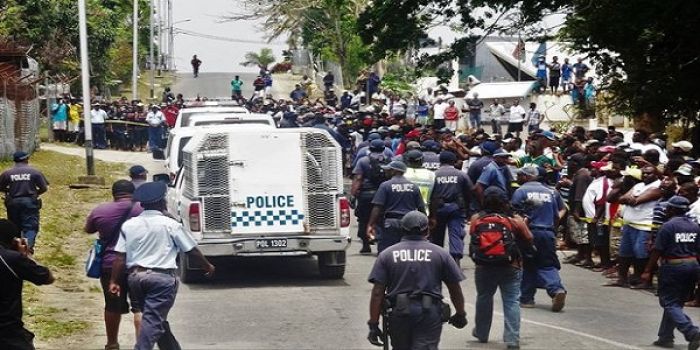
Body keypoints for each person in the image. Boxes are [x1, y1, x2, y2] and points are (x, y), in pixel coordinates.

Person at [109, 182, 215, 350]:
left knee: (155, 318)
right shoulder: (170, 224)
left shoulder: (129, 225)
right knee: (153, 320)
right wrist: (207, 266)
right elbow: (191, 250)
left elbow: (120, 257)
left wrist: (114, 281)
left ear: (142, 205)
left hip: (136, 278)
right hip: (161, 279)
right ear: (162, 202)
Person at [367, 211, 467, 350]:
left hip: (399, 314)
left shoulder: (387, 255)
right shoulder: (440, 254)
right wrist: (460, 313)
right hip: (428, 315)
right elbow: (454, 288)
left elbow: (377, 293)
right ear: (427, 230)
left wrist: (373, 324)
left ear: (402, 230)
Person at [470, 187, 533, 350]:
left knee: (484, 297)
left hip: (484, 266)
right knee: (512, 301)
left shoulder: (477, 218)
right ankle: (512, 340)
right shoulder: (513, 220)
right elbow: (528, 237)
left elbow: (473, 237)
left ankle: (482, 333)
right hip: (510, 266)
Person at [85, 180, 144, 350]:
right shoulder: (142, 209)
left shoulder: (100, 210)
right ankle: (141, 345)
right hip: (137, 264)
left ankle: (112, 343)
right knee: (139, 307)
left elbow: (88, 229)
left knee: (112, 306)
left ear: (113, 194)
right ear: (133, 193)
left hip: (109, 266)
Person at [641, 196, 700, 349]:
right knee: (676, 302)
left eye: (668, 208)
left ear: (672, 209)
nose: (666, 210)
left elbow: (657, 251)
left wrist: (647, 270)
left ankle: (691, 331)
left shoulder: (667, 226)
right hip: (692, 265)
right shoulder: (695, 226)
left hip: (673, 267)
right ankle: (665, 337)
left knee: (669, 302)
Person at [511, 166, 567, 312]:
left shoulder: (521, 191)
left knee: (528, 264)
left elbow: (515, 214)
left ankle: (527, 298)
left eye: (519, 175)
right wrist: (553, 233)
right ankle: (556, 289)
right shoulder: (550, 192)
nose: (517, 178)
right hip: (547, 232)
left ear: (526, 176)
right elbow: (556, 216)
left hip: (529, 232)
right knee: (548, 264)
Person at [0, 219, 54, 350]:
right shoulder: (12, 259)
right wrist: (25, 256)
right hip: (7, 330)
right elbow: (47, 277)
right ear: (13, 240)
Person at [607, 165, 662, 288]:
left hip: (644, 225)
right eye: (644, 173)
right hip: (629, 224)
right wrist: (629, 198)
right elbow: (621, 199)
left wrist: (631, 198)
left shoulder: (657, 186)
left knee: (641, 253)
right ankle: (622, 278)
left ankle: (642, 279)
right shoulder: (639, 186)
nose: (646, 175)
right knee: (624, 252)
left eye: (649, 173)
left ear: (656, 174)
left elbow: (635, 201)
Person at [367, 161, 426, 252]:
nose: (385, 172)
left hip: (390, 223)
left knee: (387, 251)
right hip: (409, 223)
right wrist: (425, 225)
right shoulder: (413, 186)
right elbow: (421, 208)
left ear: (394, 171)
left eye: (388, 170)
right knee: (407, 251)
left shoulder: (385, 186)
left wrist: (371, 224)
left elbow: (377, 207)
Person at [430, 151, 474, 264]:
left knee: (437, 235)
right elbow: (470, 191)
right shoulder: (461, 174)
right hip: (456, 208)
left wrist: (432, 214)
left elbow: (431, 195)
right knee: (456, 233)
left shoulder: (434, 174)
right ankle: (455, 259)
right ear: (453, 161)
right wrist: (468, 209)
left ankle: (437, 259)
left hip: (438, 208)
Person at [0, 152, 49, 251]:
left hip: (13, 202)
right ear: (27, 159)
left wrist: (10, 191)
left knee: (14, 227)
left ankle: (15, 249)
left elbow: (1, 187)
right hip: (30, 202)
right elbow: (44, 188)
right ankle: (27, 249)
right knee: (30, 227)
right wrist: (36, 193)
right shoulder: (34, 172)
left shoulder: (7, 173)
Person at [351, 139, 391, 254]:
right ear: (384, 149)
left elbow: (358, 178)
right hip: (384, 195)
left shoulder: (363, 161)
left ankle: (365, 245)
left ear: (370, 148)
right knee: (381, 220)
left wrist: (353, 195)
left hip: (366, 195)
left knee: (363, 219)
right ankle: (381, 247)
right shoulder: (389, 161)